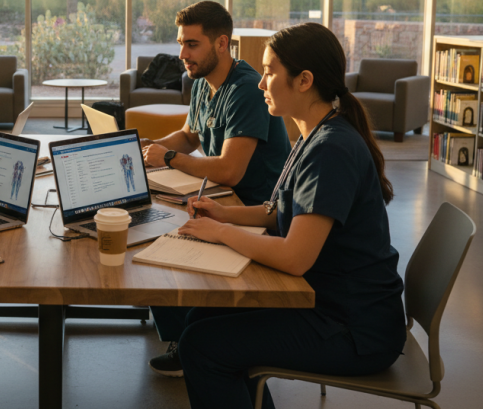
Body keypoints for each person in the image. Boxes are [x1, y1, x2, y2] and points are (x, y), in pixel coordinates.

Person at [172, 22, 406, 409]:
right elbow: (280, 212)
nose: (261, 83)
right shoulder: (314, 134)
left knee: (202, 347)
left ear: (303, 81)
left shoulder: (330, 150)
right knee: (198, 319)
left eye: (268, 72)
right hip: (329, 304)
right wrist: (224, 216)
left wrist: (219, 232)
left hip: (353, 327)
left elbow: (295, 257)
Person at [141, 1, 291, 376]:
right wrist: (151, 150)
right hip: (220, 195)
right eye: (181, 43)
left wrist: (170, 159)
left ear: (221, 43)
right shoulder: (202, 83)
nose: (182, 54)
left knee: (163, 233)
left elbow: (230, 170)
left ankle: (189, 341)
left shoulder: (245, 89)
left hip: (252, 206)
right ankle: (183, 333)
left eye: (192, 44)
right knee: (153, 225)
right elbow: (190, 135)